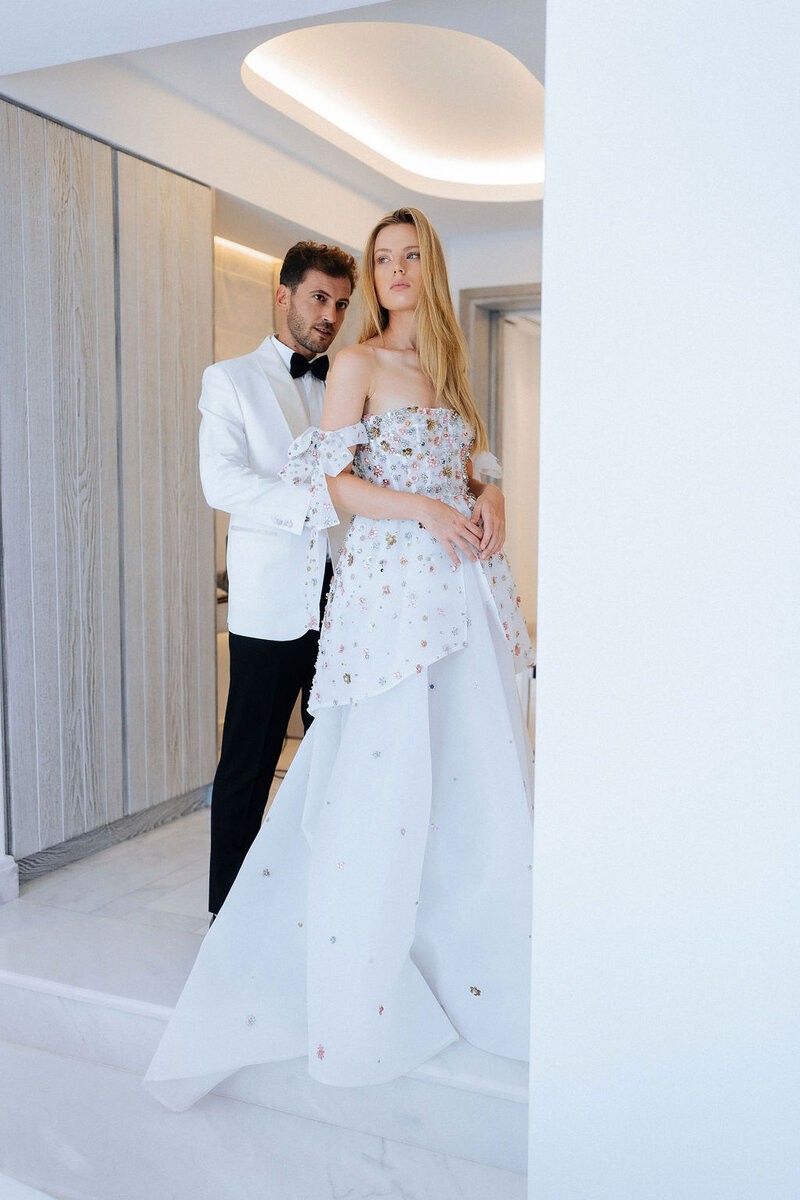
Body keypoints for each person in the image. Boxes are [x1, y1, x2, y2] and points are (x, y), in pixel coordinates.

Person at [145, 208, 534, 1109]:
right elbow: (329, 482)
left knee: (461, 767)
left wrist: (492, 494)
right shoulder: (340, 366)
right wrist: (423, 509)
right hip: (368, 590)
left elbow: (472, 458)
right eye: (381, 259)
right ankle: (256, 919)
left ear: (430, 268)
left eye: (409, 257)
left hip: (447, 591)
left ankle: (455, 941)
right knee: (316, 764)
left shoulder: (449, 366)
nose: (394, 272)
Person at [199, 241, 358, 919]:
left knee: (334, 758)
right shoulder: (230, 379)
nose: (330, 316)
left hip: (344, 602)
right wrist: (314, 503)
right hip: (268, 605)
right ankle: (227, 915)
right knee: (249, 761)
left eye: (341, 304)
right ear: (283, 295)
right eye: (319, 298)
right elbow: (222, 481)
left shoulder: (350, 381)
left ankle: (316, 903)